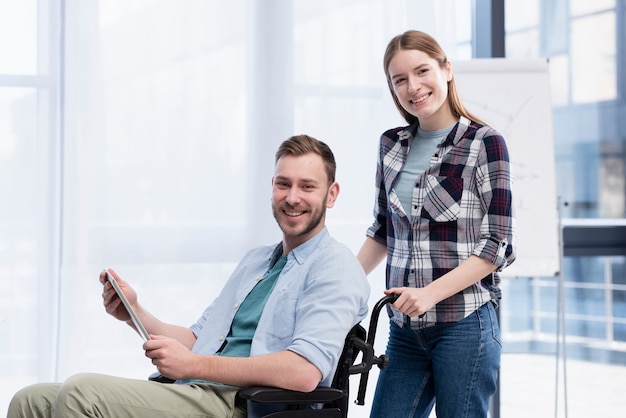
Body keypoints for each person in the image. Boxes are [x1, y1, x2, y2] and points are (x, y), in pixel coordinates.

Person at [8, 134, 370, 418]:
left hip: (243, 406)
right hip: (197, 392)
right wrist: (134, 313)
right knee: (31, 401)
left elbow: (305, 372)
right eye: (283, 184)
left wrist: (195, 366)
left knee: (80, 394)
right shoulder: (257, 262)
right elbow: (198, 340)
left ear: (331, 194)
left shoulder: (336, 267)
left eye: (307, 186)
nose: (292, 197)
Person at [356, 30, 516, 418]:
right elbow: (382, 231)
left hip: (464, 327)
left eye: (422, 70)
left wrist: (429, 293)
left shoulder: (484, 143)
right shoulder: (390, 144)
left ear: (446, 69)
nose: (413, 87)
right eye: (399, 80)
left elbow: (497, 246)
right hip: (404, 330)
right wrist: (335, 285)